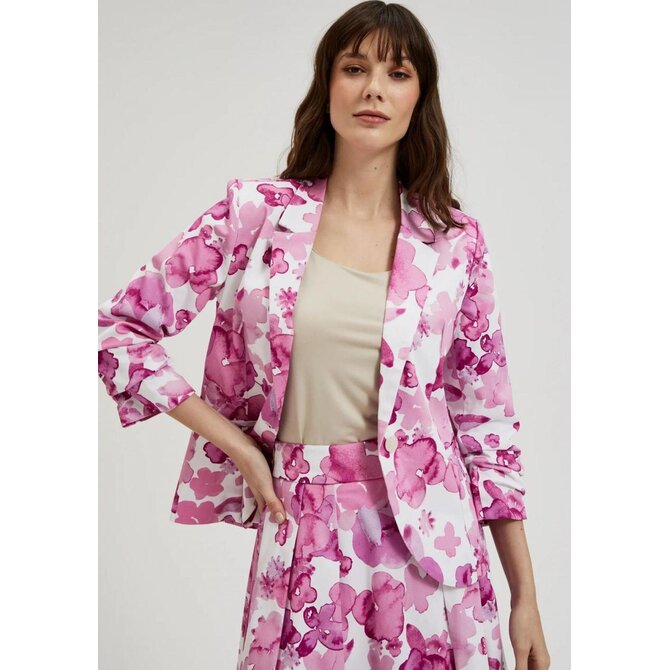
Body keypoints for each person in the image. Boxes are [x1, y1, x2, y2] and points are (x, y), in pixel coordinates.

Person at [98, 2, 550, 668]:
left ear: (419, 97)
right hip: (303, 531)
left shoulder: (455, 242)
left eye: (397, 74)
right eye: (355, 68)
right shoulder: (255, 216)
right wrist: (242, 449)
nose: (374, 89)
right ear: (327, 85)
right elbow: (118, 330)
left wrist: (525, 596)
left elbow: (485, 423)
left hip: (437, 551)